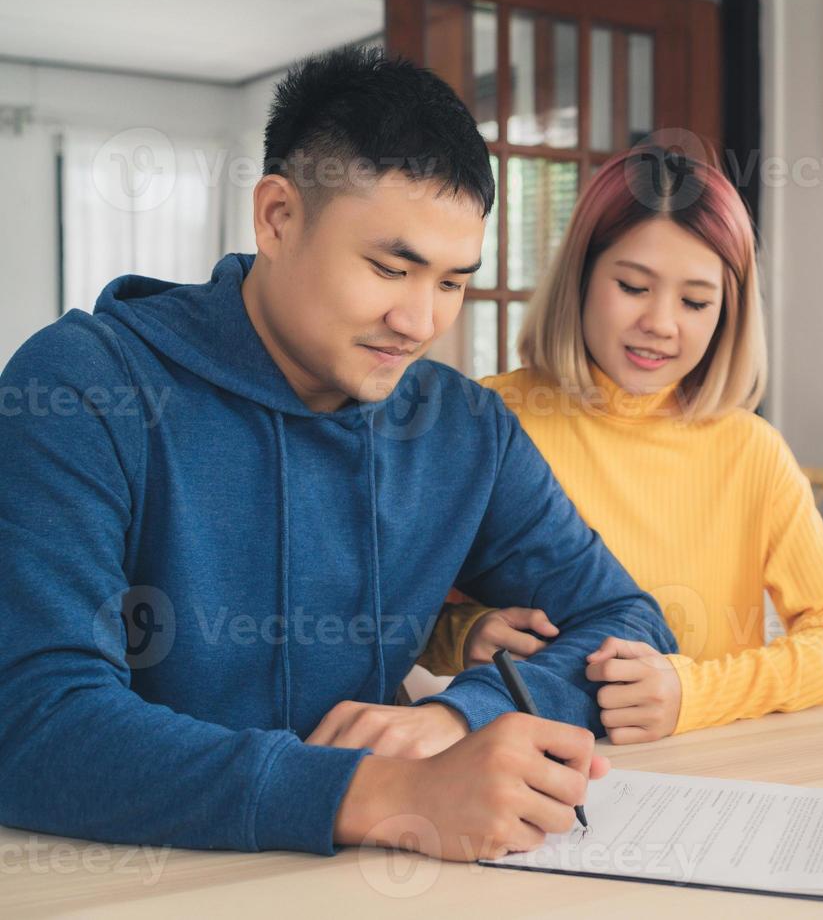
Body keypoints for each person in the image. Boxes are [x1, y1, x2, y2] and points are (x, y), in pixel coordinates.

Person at [0, 46, 676, 861]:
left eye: (453, 283)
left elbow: (626, 622)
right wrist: (383, 791)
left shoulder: (464, 429)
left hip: (362, 880)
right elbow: (37, 723)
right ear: (279, 217)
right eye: (391, 268)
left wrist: (458, 717)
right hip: (119, 874)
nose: (421, 321)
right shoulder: (82, 386)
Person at [413, 148, 823, 743]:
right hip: (527, 762)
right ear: (580, 278)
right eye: (633, 286)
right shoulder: (489, 420)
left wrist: (698, 693)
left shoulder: (750, 450)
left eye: (695, 301)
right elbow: (398, 613)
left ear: (728, 314)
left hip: (701, 771)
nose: (661, 322)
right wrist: (465, 634)